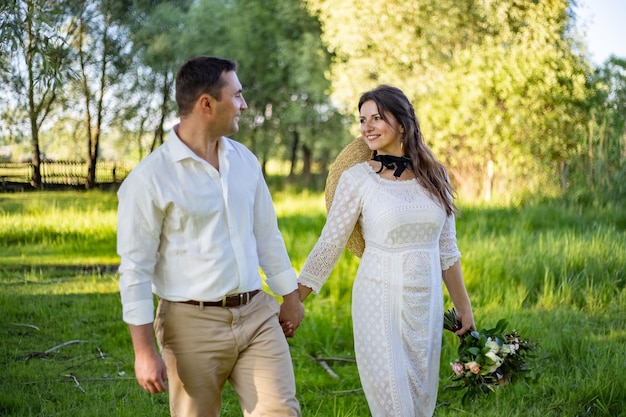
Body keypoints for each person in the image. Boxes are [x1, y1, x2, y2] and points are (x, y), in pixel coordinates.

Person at [117, 56, 303, 417]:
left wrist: (289, 295)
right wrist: (143, 352)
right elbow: (135, 270)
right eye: (237, 95)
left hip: (256, 314)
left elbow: (267, 234)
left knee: (281, 411)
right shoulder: (149, 180)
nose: (244, 105)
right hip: (189, 325)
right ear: (207, 104)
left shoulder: (245, 161)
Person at [297, 85, 475, 417]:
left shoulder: (436, 177)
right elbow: (329, 243)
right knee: (394, 405)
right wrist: (293, 300)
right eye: (362, 119)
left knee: (421, 404)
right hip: (378, 300)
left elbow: (447, 251)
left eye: (377, 118)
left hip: (428, 304)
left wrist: (464, 308)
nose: (367, 127)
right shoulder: (357, 179)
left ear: (403, 123)